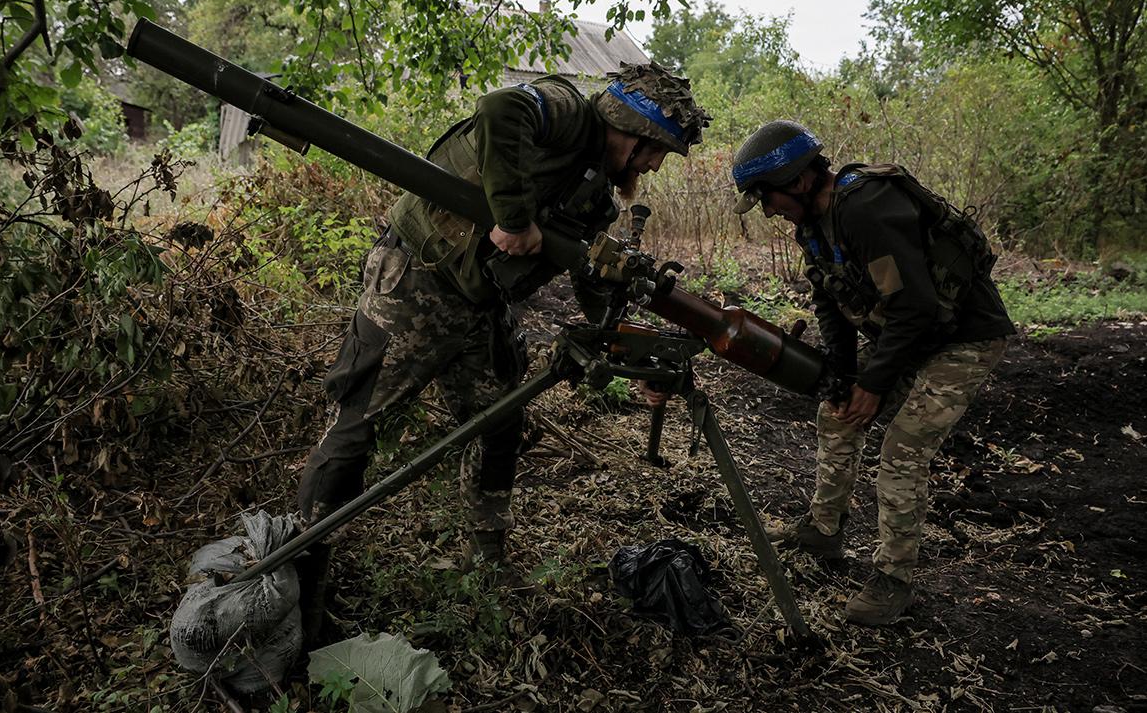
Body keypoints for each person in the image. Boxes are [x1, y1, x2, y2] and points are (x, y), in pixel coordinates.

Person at [295, 63, 710, 628]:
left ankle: (486, 559)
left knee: (499, 420)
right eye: (654, 151)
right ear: (631, 129)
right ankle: (301, 582)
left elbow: (589, 277)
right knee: (356, 426)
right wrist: (514, 219)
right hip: (416, 282)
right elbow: (499, 109)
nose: (654, 165)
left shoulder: (596, 198)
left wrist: (624, 345)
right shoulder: (565, 111)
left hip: (480, 305)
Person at [730, 120, 1015, 625]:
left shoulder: (866, 208)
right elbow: (830, 306)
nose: (769, 209)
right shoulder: (812, 226)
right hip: (912, 335)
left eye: (767, 196)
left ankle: (894, 579)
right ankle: (823, 529)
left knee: (901, 452)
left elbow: (917, 307)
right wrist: (844, 379)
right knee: (835, 413)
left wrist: (874, 384)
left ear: (797, 181)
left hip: (963, 339)